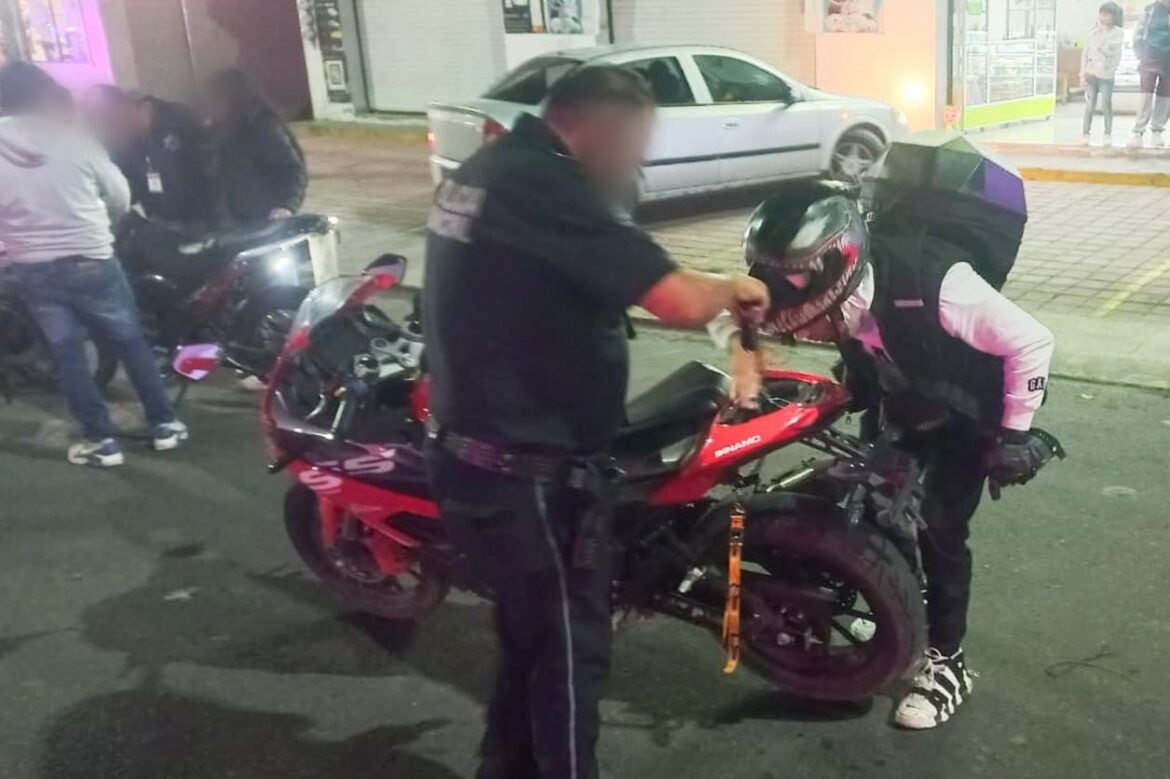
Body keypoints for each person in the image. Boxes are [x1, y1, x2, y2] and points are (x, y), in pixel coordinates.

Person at [423, 65, 769, 779]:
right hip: (527, 483)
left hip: (478, 463)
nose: (635, 163)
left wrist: (723, 327)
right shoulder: (549, 186)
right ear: (599, 129)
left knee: (529, 642)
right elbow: (675, 299)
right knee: (568, 659)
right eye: (633, 146)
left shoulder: (491, 168)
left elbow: (613, 274)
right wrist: (734, 288)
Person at [713, 134, 1062, 730]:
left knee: (941, 532)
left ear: (841, 286)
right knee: (876, 504)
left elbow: (1033, 342)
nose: (805, 336)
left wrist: (1014, 436)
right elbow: (757, 328)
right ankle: (902, 604)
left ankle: (947, 663)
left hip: (966, 416)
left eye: (811, 326)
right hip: (903, 398)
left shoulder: (939, 284)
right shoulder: (832, 290)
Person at [0, 62, 188, 466]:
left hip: (34, 266)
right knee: (129, 340)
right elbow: (119, 194)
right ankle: (164, 424)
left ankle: (101, 442)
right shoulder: (73, 139)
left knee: (67, 354)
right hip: (91, 257)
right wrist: (100, 226)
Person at [83, 86, 216, 228]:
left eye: (105, 121)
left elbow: (211, 165)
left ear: (121, 109)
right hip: (161, 225)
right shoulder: (125, 145)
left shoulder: (178, 118)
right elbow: (125, 189)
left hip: (206, 222)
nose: (105, 130)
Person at [202, 68, 307, 225]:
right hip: (229, 223)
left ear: (232, 98)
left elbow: (292, 169)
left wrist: (286, 206)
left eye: (215, 98)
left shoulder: (261, 127)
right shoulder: (216, 131)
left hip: (262, 221)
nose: (209, 105)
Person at [1081, 3, 1125, 146]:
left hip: (1106, 75)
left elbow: (1111, 51)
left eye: (1106, 14)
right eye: (1101, 14)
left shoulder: (1117, 32)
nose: (1103, 17)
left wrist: (1102, 34)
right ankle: (1085, 133)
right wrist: (1082, 73)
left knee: (1106, 103)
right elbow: (1085, 53)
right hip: (1091, 74)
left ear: (1113, 16)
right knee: (1089, 104)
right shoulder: (1093, 32)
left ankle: (1107, 133)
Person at [1128, 0, 1170, 148]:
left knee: (1165, 96)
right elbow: (1139, 31)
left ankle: (1157, 131)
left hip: (1168, 61)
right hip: (1149, 57)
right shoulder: (1150, 9)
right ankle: (1138, 132)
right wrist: (1139, 52)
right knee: (1145, 95)